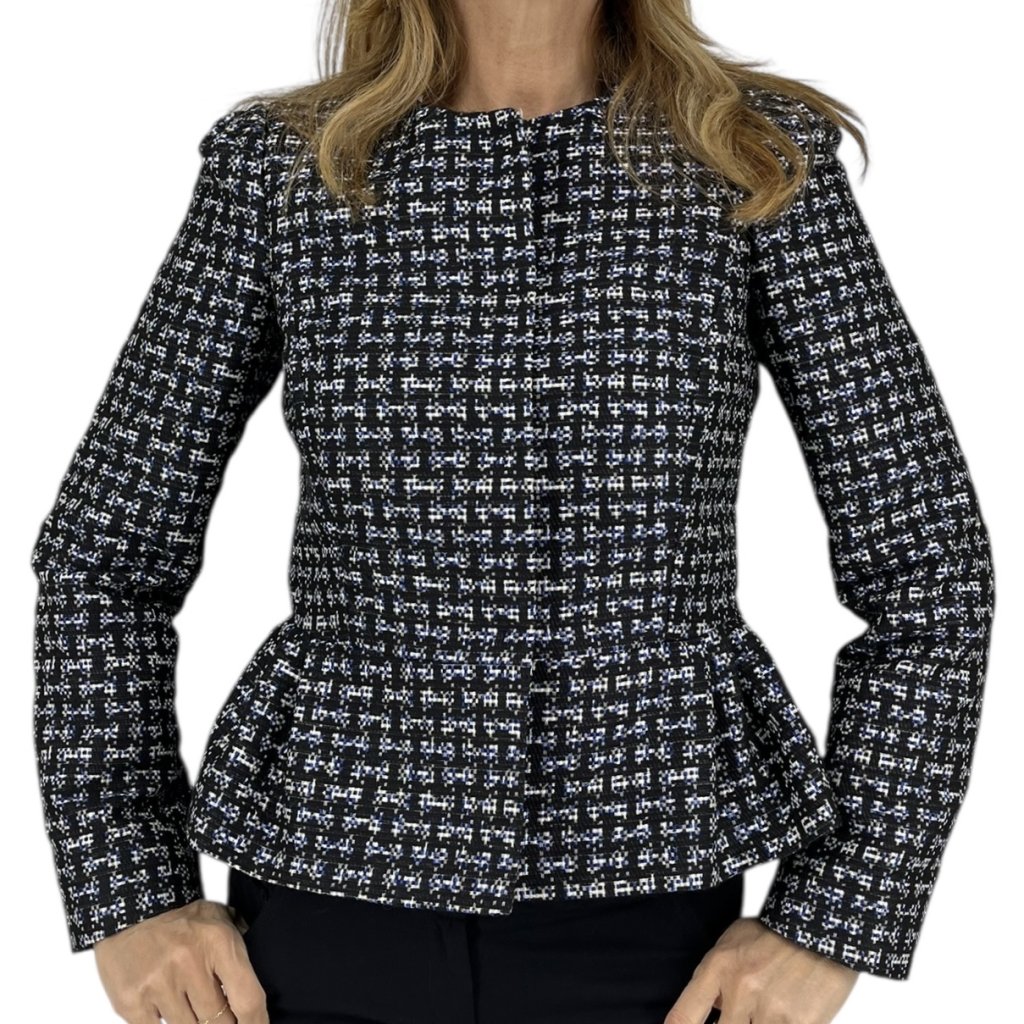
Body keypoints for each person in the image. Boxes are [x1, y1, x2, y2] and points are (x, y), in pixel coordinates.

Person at [30, 1, 995, 1022]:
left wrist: (833, 914)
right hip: (325, 896)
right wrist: (133, 888)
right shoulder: (286, 170)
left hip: (653, 915)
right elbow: (106, 553)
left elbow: (929, 566)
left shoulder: (750, 158)